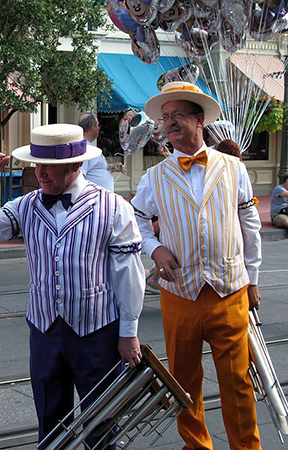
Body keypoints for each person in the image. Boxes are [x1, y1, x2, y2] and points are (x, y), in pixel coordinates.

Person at [0, 123, 145, 447]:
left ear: (76, 165)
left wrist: (128, 332)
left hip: (97, 332)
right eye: (38, 164)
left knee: (102, 421)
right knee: (50, 420)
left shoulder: (113, 207)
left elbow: (128, 273)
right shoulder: (27, 205)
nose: (41, 173)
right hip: (44, 330)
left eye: (51, 166)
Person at [131, 81, 262, 450]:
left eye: (177, 116)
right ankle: (197, 446)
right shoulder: (153, 177)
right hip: (180, 294)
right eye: (165, 118)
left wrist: (253, 279)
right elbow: (137, 221)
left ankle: (246, 447)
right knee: (184, 382)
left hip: (229, 290)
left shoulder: (233, 167)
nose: (168, 123)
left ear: (199, 119)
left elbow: (250, 226)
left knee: (237, 382)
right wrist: (154, 249)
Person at [78, 112, 115, 191]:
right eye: (97, 125)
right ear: (92, 127)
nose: (99, 128)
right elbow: (80, 176)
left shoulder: (88, 146)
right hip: (94, 200)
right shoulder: (84, 148)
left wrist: (113, 168)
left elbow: (95, 168)